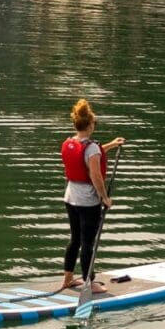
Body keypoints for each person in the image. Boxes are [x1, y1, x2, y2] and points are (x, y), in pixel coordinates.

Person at [58, 99, 125, 294]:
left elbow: (89, 155)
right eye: (94, 123)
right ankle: (89, 283)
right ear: (89, 126)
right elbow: (96, 176)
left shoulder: (70, 143)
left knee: (75, 240)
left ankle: (68, 279)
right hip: (87, 202)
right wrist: (105, 198)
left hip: (70, 198)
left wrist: (111, 144)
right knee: (88, 243)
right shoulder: (92, 148)